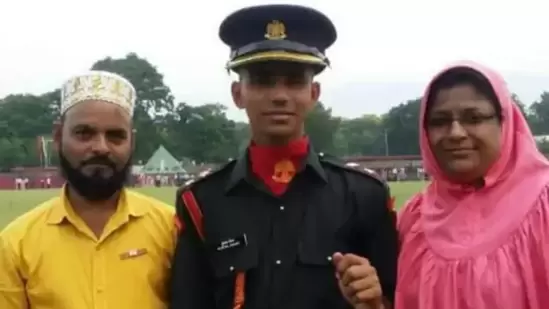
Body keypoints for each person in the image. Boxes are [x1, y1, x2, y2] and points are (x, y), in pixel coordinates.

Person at [169, 4, 398, 309]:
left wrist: (376, 302)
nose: (279, 95)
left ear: (313, 93)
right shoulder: (201, 202)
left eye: (294, 81)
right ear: (238, 94)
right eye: (263, 80)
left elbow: (396, 298)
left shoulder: (364, 195)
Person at [0, 71, 176, 309]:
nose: (101, 147)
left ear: (131, 142)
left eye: (115, 136)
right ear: (59, 136)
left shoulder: (172, 229)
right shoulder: (16, 243)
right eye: (84, 133)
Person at [395, 61, 549, 309]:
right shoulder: (413, 221)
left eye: (474, 118)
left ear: (505, 122)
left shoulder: (543, 206)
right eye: (440, 121)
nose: (455, 133)